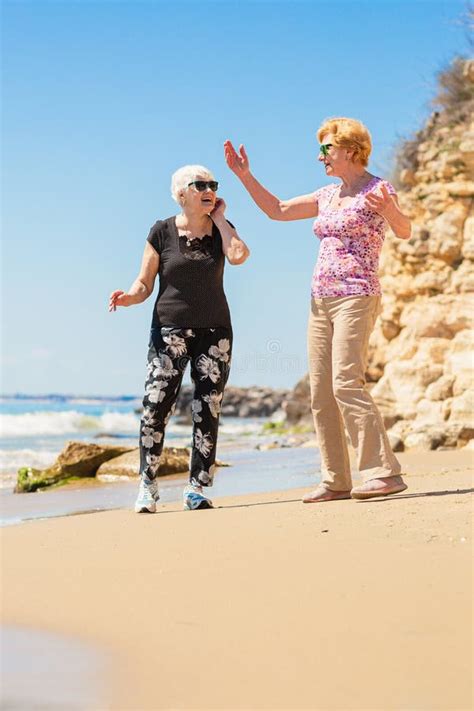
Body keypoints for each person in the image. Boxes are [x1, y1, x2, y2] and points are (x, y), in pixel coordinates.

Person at [224, 117, 411, 502]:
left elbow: (404, 230)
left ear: (351, 150)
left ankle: (384, 472)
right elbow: (276, 209)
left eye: (326, 148)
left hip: (357, 296)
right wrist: (245, 175)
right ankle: (335, 480)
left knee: (346, 381)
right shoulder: (327, 195)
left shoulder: (378, 189)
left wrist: (390, 210)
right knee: (321, 392)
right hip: (319, 300)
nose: (320, 156)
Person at [109, 165, 250, 512]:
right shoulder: (161, 231)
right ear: (181, 193)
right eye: (200, 184)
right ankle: (147, 484)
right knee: (156, 405)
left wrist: (220, 220)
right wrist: (129, 296)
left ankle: (196, 488)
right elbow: (144, 282)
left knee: (207, 408)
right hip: (169, 330)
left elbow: (239, 256)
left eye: (213, 185)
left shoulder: (222, 230)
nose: (209, 189)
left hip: (216, 332)